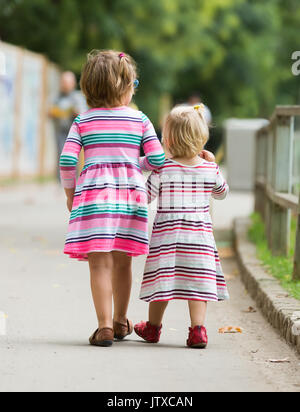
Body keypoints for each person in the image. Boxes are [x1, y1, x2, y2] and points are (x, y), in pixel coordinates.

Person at [59, 50, 165, 347]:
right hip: (131, 198)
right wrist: (134, 165)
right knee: (123, 261)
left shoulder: (83, 121)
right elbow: (157, 159)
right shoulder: (140, 120)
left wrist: (71, 194)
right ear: (127, 86)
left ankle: (104, 326)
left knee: (99, 263)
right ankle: (121, 320)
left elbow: (67, 161)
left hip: (94, 198)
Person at [135, 104, 229, 349]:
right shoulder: (209, 169)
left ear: (167, 139)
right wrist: (213, 165)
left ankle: (153, 328)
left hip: (168, 239)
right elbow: (222, 193)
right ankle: (198, 331)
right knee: (197, 285)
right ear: (202, 139)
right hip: (199, 239)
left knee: (161, 283)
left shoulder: (163, 168)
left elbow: (144, 196)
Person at [50, 71, 87, 179]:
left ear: (73, 83)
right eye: (63, 82)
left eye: (67, 82)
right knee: (61, 154)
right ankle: (60, 180)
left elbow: (83, 113)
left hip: (74, 132)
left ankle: (74, 179)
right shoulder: (56, 97)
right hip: (60, 130)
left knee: (72, 156)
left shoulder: (77, 97)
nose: (64, 84)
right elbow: (48, 111)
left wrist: (74, 112)